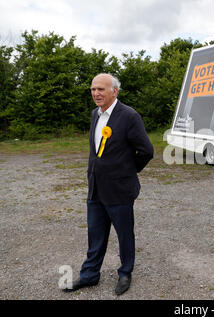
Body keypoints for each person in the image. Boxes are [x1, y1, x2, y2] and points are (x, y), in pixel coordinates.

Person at [63, 73, 154, 296]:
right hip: (95, 189)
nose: (96, 93)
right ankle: (90, 275)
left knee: (124, 235)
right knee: (95, 235)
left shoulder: (129, 116)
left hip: (120, 190)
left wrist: (127, 172)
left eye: (101, 89)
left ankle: (125, 273)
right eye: (93, 89)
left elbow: (146, 151)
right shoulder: (95, 114)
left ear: (115, 91)